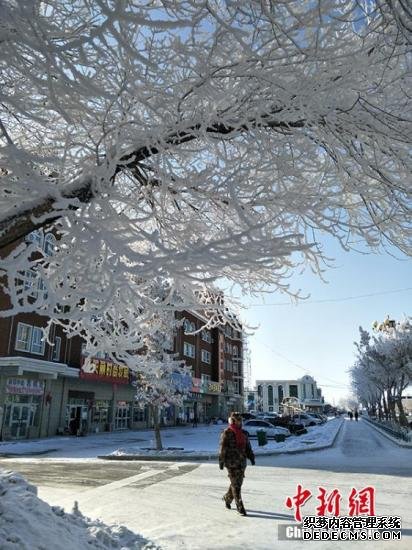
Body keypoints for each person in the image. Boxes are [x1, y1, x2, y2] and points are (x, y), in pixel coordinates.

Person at [219, 411, 255, 516]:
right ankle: (240, 506)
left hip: (241, 463)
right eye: (238, 420)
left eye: (241, 420)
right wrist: (221, 461)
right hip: (231, 464)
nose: (240, 422)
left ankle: (227, 498)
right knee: (236, 485)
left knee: (237, 484)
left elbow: (248, 447)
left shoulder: (243, 433)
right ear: (233, 421)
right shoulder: (227, 433)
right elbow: (222, 449)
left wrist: (251, 457)